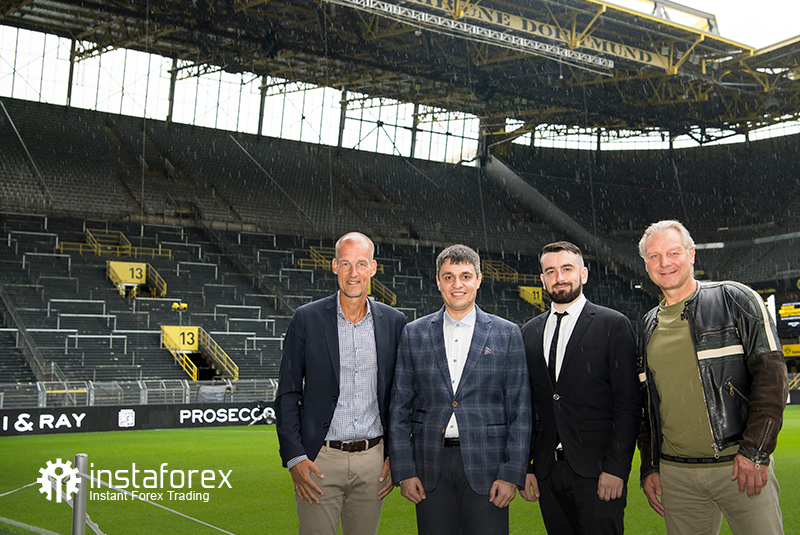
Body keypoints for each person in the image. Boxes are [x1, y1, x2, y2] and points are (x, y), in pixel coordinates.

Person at [637, 220, 788, 535]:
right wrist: (650, 466)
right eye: (654, 256)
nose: (664, 263)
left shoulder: (736, 299)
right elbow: (646, 406)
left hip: (739, 466)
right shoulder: (647, 325)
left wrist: (755, 452)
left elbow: (772, 381)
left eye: (673, 252)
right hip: (677, 475)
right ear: (646, 265)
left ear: (691, 255)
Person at [389, 244, 531, 535]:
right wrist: (404, 470)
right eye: (449, 276)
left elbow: (521, 409)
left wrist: (511, 473)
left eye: (465, 276)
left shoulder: (507, 333)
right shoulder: (414, 333)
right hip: (430, 467)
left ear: (479, 279)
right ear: (438, 281)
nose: (458, 284)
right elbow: (399, 407)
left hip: (488, 467)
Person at [274, 232, 407, 535]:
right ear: (334, 266)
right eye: (346, 264)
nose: (353, 273)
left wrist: (394, 454)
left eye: (361, 264)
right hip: (320, 460)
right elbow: (287, 393)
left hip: (372, 461)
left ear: (373, 267)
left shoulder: (395, 322)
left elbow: (401, 398)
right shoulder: (306, 318)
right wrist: (295, 457)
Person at [519, 241, 641, 535]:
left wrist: (616, 468)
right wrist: (526, 466)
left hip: (598, 471)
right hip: (548, 471)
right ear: (542, 279)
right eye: (551, 271)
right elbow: (526, 407)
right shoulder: (528, 332)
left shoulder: (613, 324)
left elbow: (628, 404)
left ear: (583, 274)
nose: (559, 277)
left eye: (567, 269)